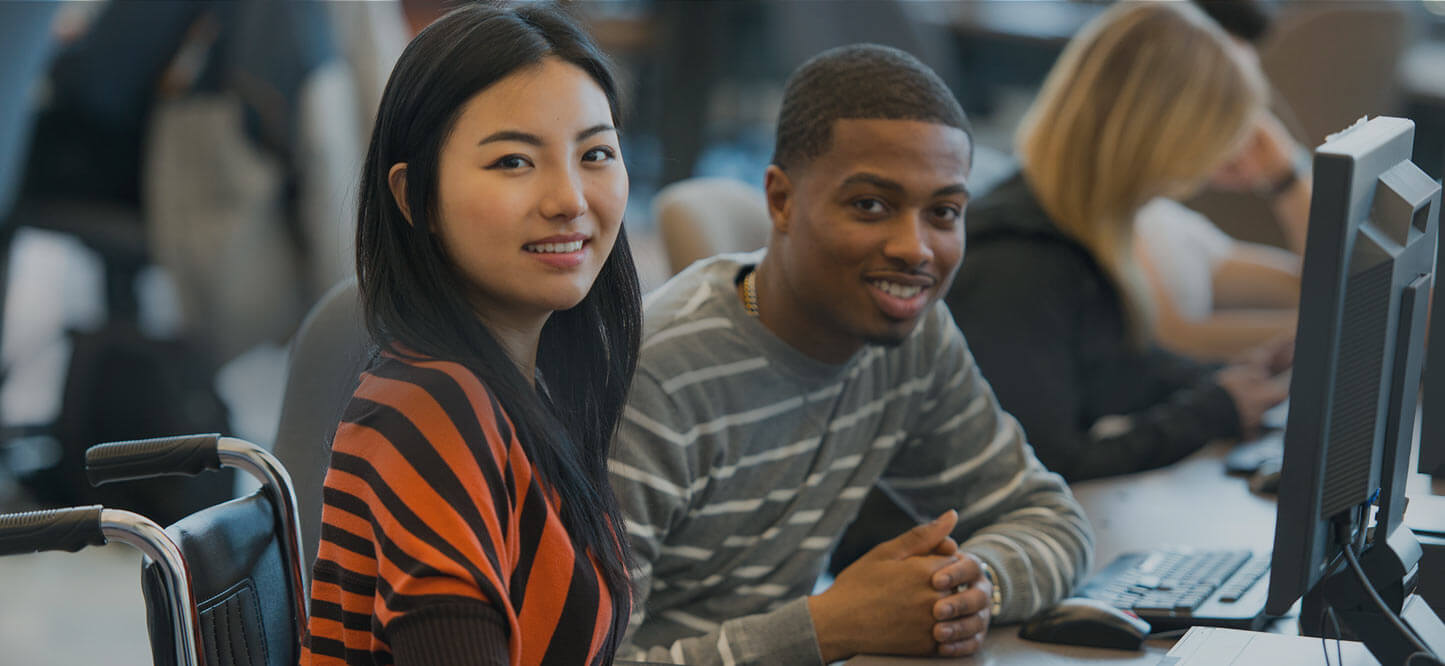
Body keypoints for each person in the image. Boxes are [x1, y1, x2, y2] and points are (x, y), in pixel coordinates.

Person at [611, 44, 1093, 664]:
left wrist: (970, 587)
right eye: (872, 205)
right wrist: (825, 627)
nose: (915, 247)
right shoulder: (655, 378)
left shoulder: (912, 336)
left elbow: (1050, 517)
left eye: (944, 212)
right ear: (781, 200)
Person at [302, 4, 639, 664]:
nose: (569, 198)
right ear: (415, 199)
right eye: (514, 162)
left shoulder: (521, 390)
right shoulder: (433, 407)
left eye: (595, 153)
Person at [945, 1, 1292, 484]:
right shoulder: (1023, 263)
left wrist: (1216, 384)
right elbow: (1047, 461)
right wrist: (1211, 414)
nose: (1208, 173)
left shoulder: (1079, 226)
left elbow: (1111, 370)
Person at [1136, 0, 1311, 360]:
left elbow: (1316, 287)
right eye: (1227, 97)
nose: (1243, 119)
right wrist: (1335, 334)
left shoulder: (1167, 223)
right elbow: (1174, 336)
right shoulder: (1111, 213)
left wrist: (1287, 177)